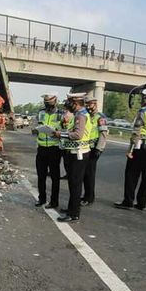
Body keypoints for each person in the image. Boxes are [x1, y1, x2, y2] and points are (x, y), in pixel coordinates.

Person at [115, 89, 146, 211]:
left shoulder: (143, 112)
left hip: (141, 147)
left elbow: (136, 132)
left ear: (145, 99)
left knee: (131, 175)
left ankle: (128, 201)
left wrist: (130, 150)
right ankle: (142, 203)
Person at [55, 93, 93, 222]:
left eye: (69, 103)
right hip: (76, 152)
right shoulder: (80, 114)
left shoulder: (81, 115)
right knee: (73, 183)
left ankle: (74, 213)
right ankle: (72, 208)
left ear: (75, 103)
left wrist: (61, 134)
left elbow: (78, 135)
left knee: (75, 185)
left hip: (78, 154)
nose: (67, 105)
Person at [34, 94, 62, 209]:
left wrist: (57, 132)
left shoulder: (61, 114)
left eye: (49, 102)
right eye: (45, 102)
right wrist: (35, 130)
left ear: (55, 101)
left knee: (55, 177)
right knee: (41, 176)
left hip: (54, 148)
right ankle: (42, 199)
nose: (47, 104)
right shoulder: (41, 113)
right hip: (41, 148)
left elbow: (65, 129)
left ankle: (54, 201)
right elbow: (36, 126)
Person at [81, 97, 108, 206]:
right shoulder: (86, 116)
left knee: (89, 174)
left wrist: (99, 148)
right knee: (84, 174)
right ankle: (86, 195)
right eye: (86, 104)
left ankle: (89, 198)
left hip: (94, 148)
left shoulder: (100, 117)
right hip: (86, 147)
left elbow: (103, 134)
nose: (88, 107)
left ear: (95, 104)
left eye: (90, 104)